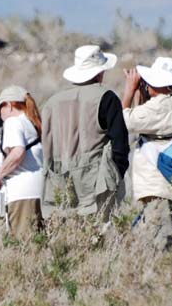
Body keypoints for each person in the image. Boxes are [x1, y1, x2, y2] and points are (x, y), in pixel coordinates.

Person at [42, 45, 129, 220]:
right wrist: (115, 175)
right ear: (100, 73)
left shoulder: (52, 102)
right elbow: (120, 145)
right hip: (98, 182)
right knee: (100, 236)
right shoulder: (107, 97)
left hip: (58, 180)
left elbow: (45, 144)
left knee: (66, 236)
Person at [122, 56, 172, 250]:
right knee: (169, 241)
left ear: (165, 86)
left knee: (160, 245)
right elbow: (144, 119)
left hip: (160, 188)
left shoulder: (165, 106)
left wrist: (129, 90)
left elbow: (124, 121)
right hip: (166, 185)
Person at [0, 85, 44, 239]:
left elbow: (18, 152)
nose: (0, 116)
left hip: (22, 195)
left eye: (0, 110)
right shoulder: (31, 123)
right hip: (38, 191)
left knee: (25, 246)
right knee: (39, 243)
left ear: (9, 105)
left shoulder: (13, 122)